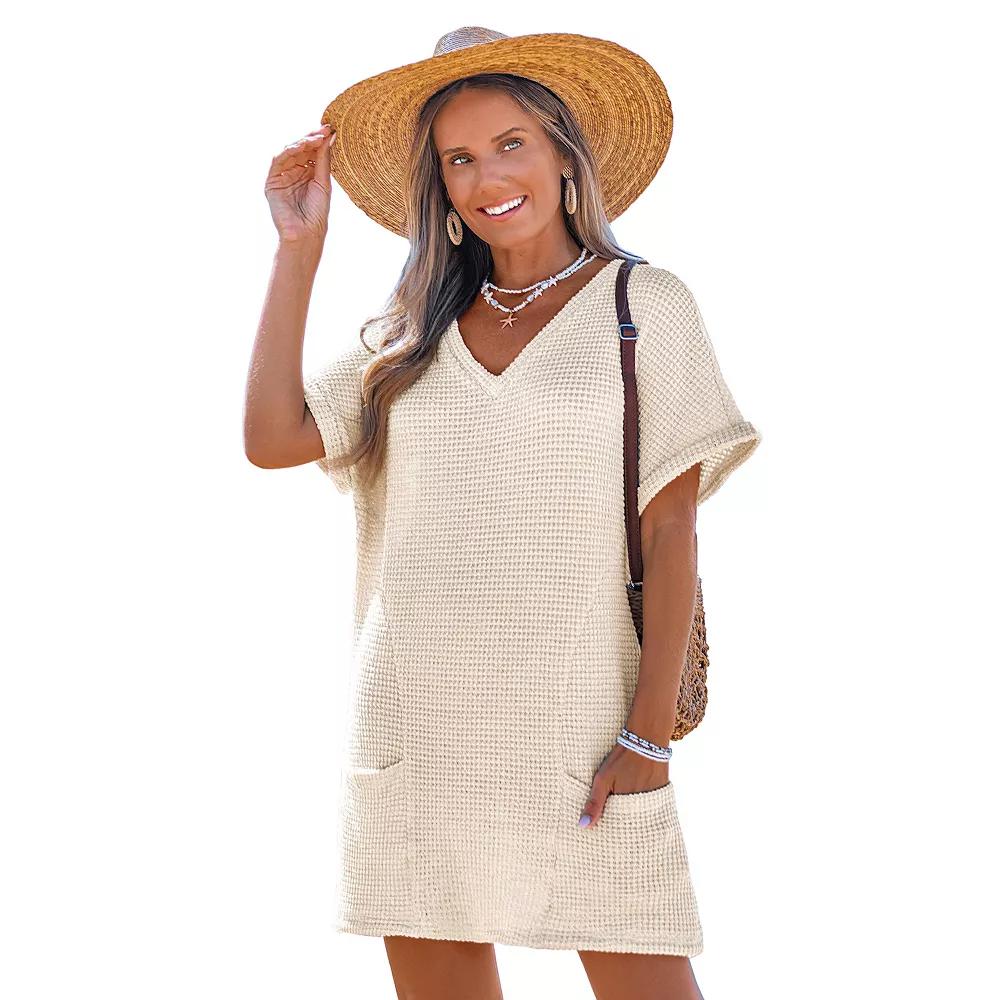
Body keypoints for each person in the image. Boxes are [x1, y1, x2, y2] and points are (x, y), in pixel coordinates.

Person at [244, 26, 761, 1000]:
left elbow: (670, 531)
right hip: (417, 728)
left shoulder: (643, 305)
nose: (487, 177)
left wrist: (647, 734)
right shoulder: (407, 335)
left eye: (510, 143)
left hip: (583, 729)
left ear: (565, 154)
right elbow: (272, 437)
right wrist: (298, 251)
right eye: (459, 158)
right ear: (440, 186)